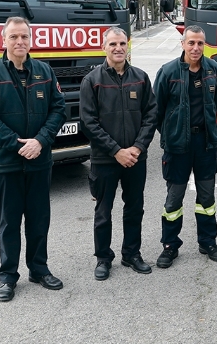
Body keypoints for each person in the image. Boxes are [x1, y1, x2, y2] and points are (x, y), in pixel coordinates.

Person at [0, 16, 67, 303]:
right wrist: (17, 145)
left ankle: (39, 269)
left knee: (39, 219)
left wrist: (41, 140)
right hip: (5, 162)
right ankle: (7, 278)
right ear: (4, 40)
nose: (20, 42)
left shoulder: (44, 71)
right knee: (9, 222)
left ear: (31, 40)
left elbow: (58, 109)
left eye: (24, 37)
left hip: (39, 160)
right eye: (14, 37)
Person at [79, 27, 157, 280]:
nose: (118, 48)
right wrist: (116, 151)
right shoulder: (92, 81)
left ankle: (131, 254)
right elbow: (88, 122)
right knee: (104, 211)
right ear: (104, 47)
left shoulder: (141, 78)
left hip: (135, 158)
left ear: (127, 46)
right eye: (112, 43)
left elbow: (151, 115)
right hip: (105, 159)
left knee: (135, 208)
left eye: (122, 43)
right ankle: (103, 258)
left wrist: (137, 148)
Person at [153, 25, 217, 267]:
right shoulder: (168, 71)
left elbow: (214, 104)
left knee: (207, 198)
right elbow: (156, 110)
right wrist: (171, 133)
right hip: (177, 145)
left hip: (205, 144)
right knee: (174, 199)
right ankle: (169, 245)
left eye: (200, 43)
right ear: (183, 44)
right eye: (191, 43)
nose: (196, 48)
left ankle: (208, 242)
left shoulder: (213, 69)